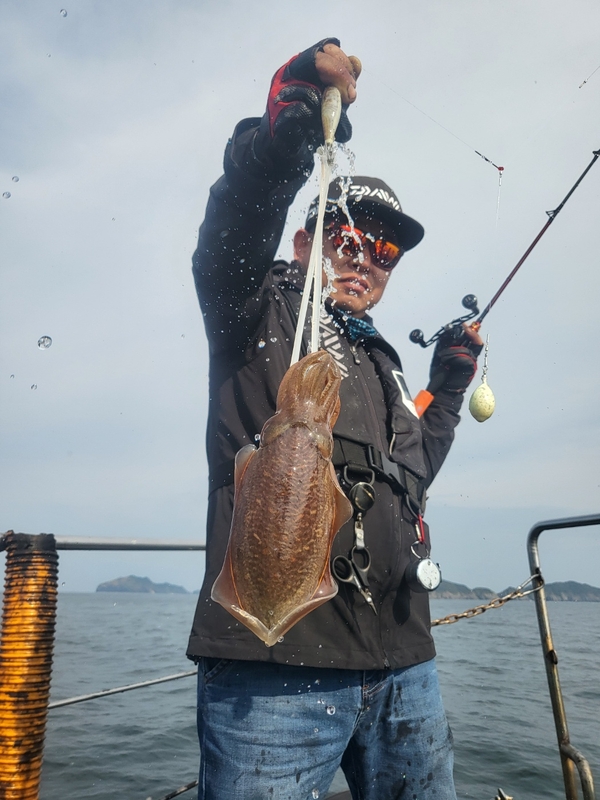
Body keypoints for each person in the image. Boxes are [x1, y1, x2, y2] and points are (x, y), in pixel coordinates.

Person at [187, 38, 482, 800]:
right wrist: (278, 142)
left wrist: (447, 387)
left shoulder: (382, 362)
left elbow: (410, 474)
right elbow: (230, 237)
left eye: (382, 252)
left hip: (404, 664)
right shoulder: (255, 308)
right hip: (275, 671)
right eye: (345, 238)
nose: (363, 259)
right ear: (304, 242)